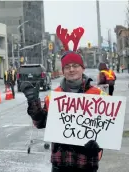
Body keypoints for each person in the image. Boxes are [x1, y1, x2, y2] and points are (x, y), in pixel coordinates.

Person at [20, 25, 105, 172]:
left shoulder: (97, 94)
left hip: (86, 164)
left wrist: (99, 148)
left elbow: (106, 128)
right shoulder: (55, 96)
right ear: (63, 71)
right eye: (67, 67)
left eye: (75, 66)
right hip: (60, 165)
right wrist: (33, 102)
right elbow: (40, 123)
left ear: (82, 68)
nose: (71, 69)